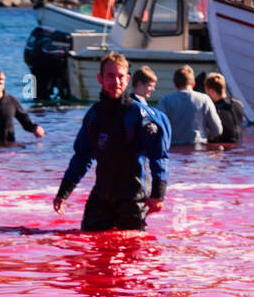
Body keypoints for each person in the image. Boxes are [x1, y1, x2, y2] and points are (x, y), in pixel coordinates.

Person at [53, 51, 168, 232]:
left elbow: (158, 155)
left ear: (128, 79)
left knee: (133, 251)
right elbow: (82, 157)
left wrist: (158, 194)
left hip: (133, 196)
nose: (116, 82)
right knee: (86, 243)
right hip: (102, 195)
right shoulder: (94, 115)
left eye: (120, 77)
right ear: (100, 78)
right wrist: (64, 192)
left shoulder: (139, 115)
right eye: (110, 76)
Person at [159, 65, 222, 146]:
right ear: (193, 83)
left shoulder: (165, 100)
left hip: (174, 147)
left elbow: (159, 126)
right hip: (199, 148)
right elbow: (217, 130)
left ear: (175, 83)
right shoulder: (205, 99)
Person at [204, 72, 244, 144]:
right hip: (239, 145)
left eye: (207, 92)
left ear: (211, 91)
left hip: (222, 148)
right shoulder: (238, 103)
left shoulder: (214, 109)